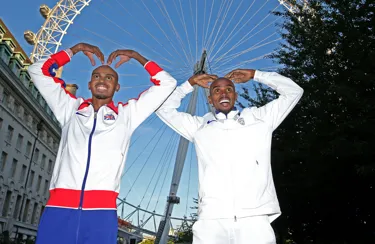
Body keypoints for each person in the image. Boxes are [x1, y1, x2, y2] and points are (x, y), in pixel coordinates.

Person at [27, 42, 177, 244]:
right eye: (96, 76)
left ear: (117, 87)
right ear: (89, 84)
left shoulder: (127, 114)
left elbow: (167, 83)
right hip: (59, 207)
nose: (102, 80)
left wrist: (136, 55)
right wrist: (75, 50)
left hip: (102, 212)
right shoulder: (69, 108)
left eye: (109, 77)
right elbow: (36, 70)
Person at [156, 68, 303, 244]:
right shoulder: (198, 127)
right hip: (211, 220)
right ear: (210, 99)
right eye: (216, 90)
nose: (223, 93)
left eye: (229, 89)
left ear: (235, 96)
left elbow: (294, 91)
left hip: (254, 219)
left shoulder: (260, 118)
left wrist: (256, 74)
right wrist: (190, 84)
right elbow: (163, 108)